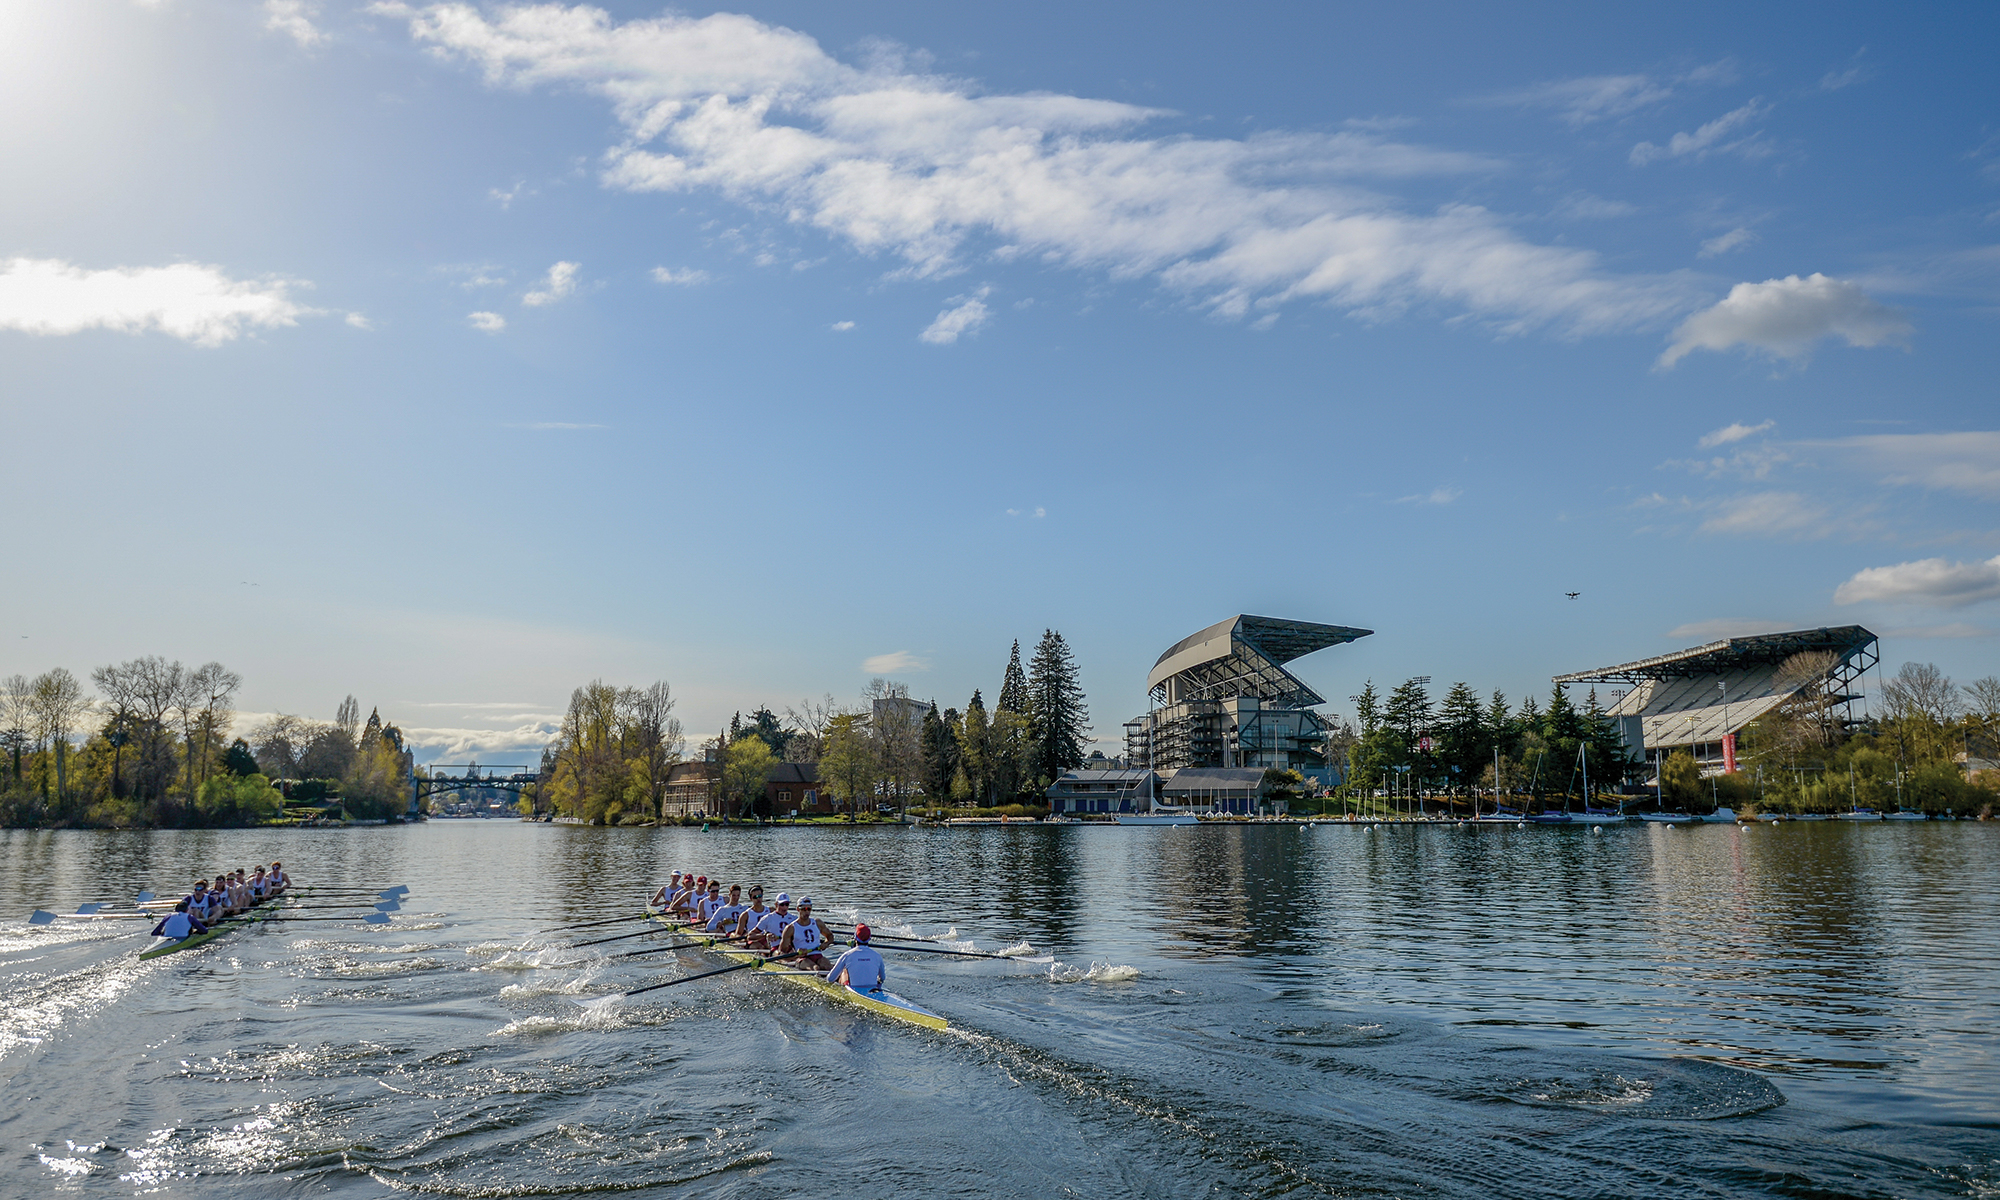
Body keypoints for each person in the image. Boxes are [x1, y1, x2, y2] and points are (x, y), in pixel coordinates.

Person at [824, 924, 886, 991]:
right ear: (869, 938)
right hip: (873, 990)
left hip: (853, 991)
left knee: (844, 971)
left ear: (855, 937)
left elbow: (830, 979)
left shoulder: (847, 955)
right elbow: (882, 978)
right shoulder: (877, 956)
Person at [776, 897, 832, 971]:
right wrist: (796, 954)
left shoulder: (817, 923)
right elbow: (781, 954)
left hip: (818, 956)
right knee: (815, 968)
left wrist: (826, 943)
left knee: (828, 966)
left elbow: (830, 936)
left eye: (809, 909)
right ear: (798, 909)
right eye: (804, 909)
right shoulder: (791, 928)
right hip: (802, 959)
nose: (807, 912)